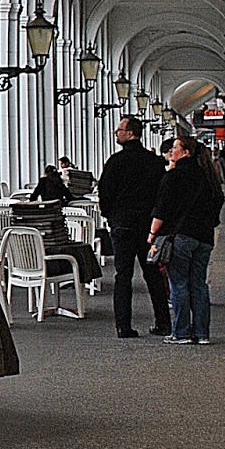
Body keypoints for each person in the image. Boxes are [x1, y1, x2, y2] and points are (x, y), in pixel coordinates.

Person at [97, 115, 170, 338]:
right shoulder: (155, 161)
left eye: (119, 130)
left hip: (123, 226)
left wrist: (111, 217)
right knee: (153, 274)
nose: (116, 133)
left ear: (130, 133)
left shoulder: (115, 161)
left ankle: (123, 326)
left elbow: (104, 192)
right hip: (148, 227)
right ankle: (163, 323)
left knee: (123, 275)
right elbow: (162, 194)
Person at [148, 135, 225, 345]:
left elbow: (162, 208)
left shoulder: (174, 176)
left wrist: (152, 234)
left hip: (181, 236)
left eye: (175, 147)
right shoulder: (209, 176)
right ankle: (201, 333)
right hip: (204, 237)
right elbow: (218, 202)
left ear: (186, 152)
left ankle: (181, 333)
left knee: (179, 284)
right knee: (198, 284)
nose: (171, 151)